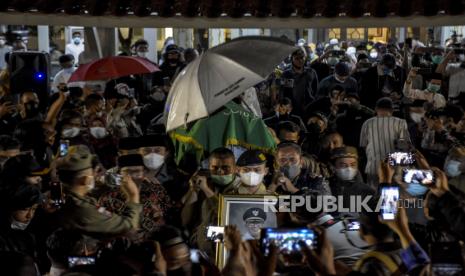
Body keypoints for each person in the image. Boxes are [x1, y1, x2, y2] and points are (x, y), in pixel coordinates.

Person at [56, 145, 142, 238]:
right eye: (92, 174)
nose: (95, 176)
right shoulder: (84, 210)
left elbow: (101, 210)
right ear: (85, 180)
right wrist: (133, 196)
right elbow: (129, 227)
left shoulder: (65, 196)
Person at [97, 154, 172, 241]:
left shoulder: (157, 191)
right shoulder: (107, 199)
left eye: (137, 171)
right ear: (119, 174)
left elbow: (170, 217)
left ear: (144, 173)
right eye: (127, 172)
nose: (132, 176)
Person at [360, 97, 410, 187]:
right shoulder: (401, 123)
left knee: (374, 197)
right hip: (394, 169)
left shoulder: (367, 123)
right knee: (394, 198)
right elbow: (405, 147)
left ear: (376, 109)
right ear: (392, 110)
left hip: (373, 167)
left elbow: (364, 145)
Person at [328, 146, 374, 217]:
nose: (349, 169)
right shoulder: (326, 188)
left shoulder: (367, 192)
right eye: (343, 165)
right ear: (333, 167)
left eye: (353, 165)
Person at [277, 48, 319, 116]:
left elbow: (316, 90)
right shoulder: (287, 74)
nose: (300, 61)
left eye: (302, 58)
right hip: (292, 109)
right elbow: (282, 92)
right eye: (297, 58)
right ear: (292, 59)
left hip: (309, 108)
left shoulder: (311, 72)